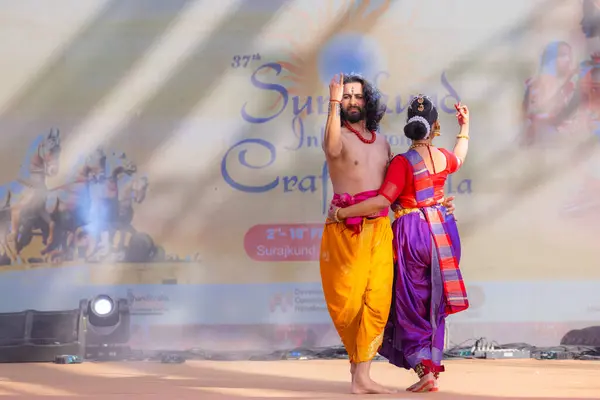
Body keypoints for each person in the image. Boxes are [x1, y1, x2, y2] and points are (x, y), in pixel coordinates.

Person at [320, 76, 455, 394]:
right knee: (348, 304)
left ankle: (362, 378)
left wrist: (433, 203)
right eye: (347, 97)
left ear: (368, 101)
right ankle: (358, 373)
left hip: (380, 229)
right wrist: (333, 101)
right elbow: (329, 146)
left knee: (377, 303)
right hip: (344, 231)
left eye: (356, 96)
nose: (351, 101)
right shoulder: (336, 137)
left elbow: (392, 195)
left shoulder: (382, 144)